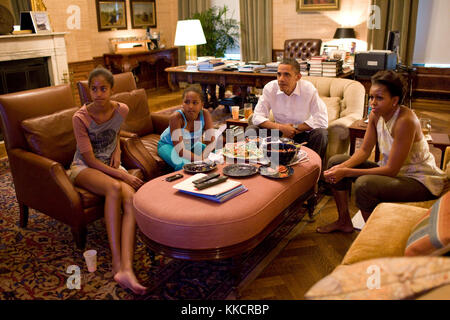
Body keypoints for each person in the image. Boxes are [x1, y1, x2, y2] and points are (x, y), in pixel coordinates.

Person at [317, 70, 447, 233]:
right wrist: (341, 168)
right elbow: (364, 150)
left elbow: (392, 170)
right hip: (396, 174)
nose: (373, 103)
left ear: (395, 100)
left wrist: (347, 171)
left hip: (418, 180)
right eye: (371, 97)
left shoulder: (405, 121)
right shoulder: (375, 115)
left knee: (364, 185)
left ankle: (373, 235)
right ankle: (344, 221)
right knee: (336, 161)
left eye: (379, 98)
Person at [69, 67, 147, 295]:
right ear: (88, 92)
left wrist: (119, 153)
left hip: (111, 165)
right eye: (94, 89)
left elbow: (115, 135)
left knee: (131, 198)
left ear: (112, 90)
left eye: (103, 88)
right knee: (115, 187)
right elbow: (90, 160)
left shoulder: (122, 109)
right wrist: (123, 174)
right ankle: (116, 262)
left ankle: (127, 267)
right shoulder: (80, 118)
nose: (98, 93)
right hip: (84, 167)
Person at [248, 58, 329, 159]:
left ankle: (314, 169)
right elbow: (257, 117)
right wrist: (281, 128)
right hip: (277, 132)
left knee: (321, 134)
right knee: (252, 130)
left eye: (286, 74)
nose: (281, 79)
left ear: (298, 77)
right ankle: (254, 166)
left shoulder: (308, 89)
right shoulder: (270, 88)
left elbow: (322, 120)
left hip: (301, 133)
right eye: (279, 74)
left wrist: (295, 129)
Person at [157, 85, 216, 170]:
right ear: (182, 103)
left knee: (216, 154)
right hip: (168, 145)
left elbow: (210, 142)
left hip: (190, 144)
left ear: (202, 105)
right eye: (187, 102)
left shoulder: (205, 114)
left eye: (195, 103)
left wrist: (205, 156)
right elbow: (180, 151)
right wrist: (201, 159)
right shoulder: (176, 117)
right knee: (184, 165)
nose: (190, 106)